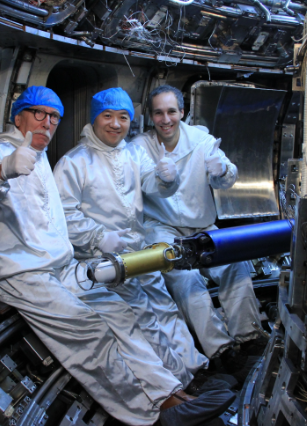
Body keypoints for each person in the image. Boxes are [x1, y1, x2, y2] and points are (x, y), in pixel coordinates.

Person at [0, 86, 232, 425]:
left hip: (59, 264)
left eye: (54, 117)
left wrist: (166, 179)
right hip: (18, 270)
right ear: (17, 117)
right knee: (89, 330)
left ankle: (172, 391)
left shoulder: (40, 156)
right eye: (39, 114)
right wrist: (1, 171)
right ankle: (149, 413)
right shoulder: (2, 154)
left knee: (120, 311)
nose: (47, 123)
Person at [53, 87, 208, 384]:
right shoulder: (74, 162)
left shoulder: (133, 153)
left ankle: (196, 367)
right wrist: (99, 237)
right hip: (103, 261)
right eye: (107, 116)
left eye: (123, 117)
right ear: (94, 119)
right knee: (143, 317)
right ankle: (178, 382)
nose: (115, 124)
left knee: (164, 306)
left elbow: (152, 184)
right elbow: (62, 215)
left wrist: (167, 179)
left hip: (139, 250)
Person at [132, 84, 262, 360]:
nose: (165, 119)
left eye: (171, 112)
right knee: (186, 277)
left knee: (235, 266)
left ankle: (249, 337)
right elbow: (138, 183)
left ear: (182, 112)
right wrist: (160, 178)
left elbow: (226, 178)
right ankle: (220, 350)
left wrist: (223, 170)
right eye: (158, 113)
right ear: (151, 116)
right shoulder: (140, 147)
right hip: (162, 227)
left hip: (202, 226)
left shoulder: (202, 141)